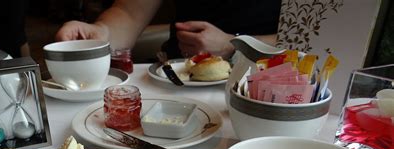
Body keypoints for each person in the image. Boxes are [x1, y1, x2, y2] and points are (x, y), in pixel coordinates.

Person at [55, 0, 281, 59]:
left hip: (274, 81)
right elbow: (129, 12)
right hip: (177, 79)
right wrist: (101, 33)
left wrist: (233, 44)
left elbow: (309, 41)